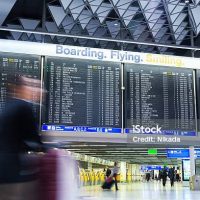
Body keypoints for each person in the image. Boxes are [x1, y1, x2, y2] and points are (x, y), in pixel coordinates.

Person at [0, 74, 43, 200]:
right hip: (14, 171)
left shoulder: (6, 107)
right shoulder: (23, 106)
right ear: (18, 88)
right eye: (27, 85)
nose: (30, 88)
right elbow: (34, 141)